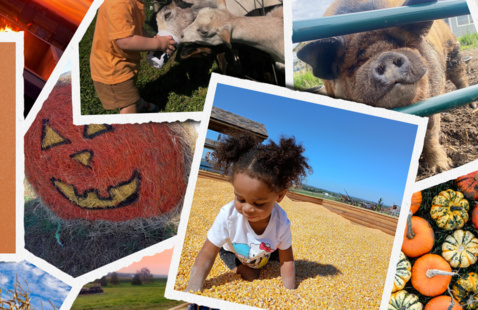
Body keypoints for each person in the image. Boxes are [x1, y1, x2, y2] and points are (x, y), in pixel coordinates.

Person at [187, 135, 311, 292]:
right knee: (252, 275)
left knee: (274, 260)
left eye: (258, 203)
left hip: (263, 251)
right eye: (240, 198)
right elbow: (206, 253)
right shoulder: (228, 215)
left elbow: (287, 260)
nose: (247, 208)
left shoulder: (281, 223)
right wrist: (192, 290)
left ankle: (266, 255)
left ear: (279, 196)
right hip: (234, 252)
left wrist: (290, 291)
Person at [89, 0, 177, 114]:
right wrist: (159, 44)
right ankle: (130, 124)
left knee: (129, 89)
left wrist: (151, 41)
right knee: (127, 104)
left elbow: (135, 27)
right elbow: (124, 41)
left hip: (121, 61)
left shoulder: (131, 2)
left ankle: (137, 102)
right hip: (112, 69)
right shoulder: (118, 4)